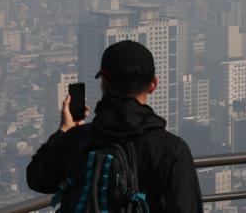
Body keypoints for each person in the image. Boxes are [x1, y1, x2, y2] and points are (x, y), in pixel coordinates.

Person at [27, 40, 203, 213]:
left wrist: (64, 131)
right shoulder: (171, 150)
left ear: (104, 83)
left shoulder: (77, 140)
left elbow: (37, 178)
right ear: (153, 85)